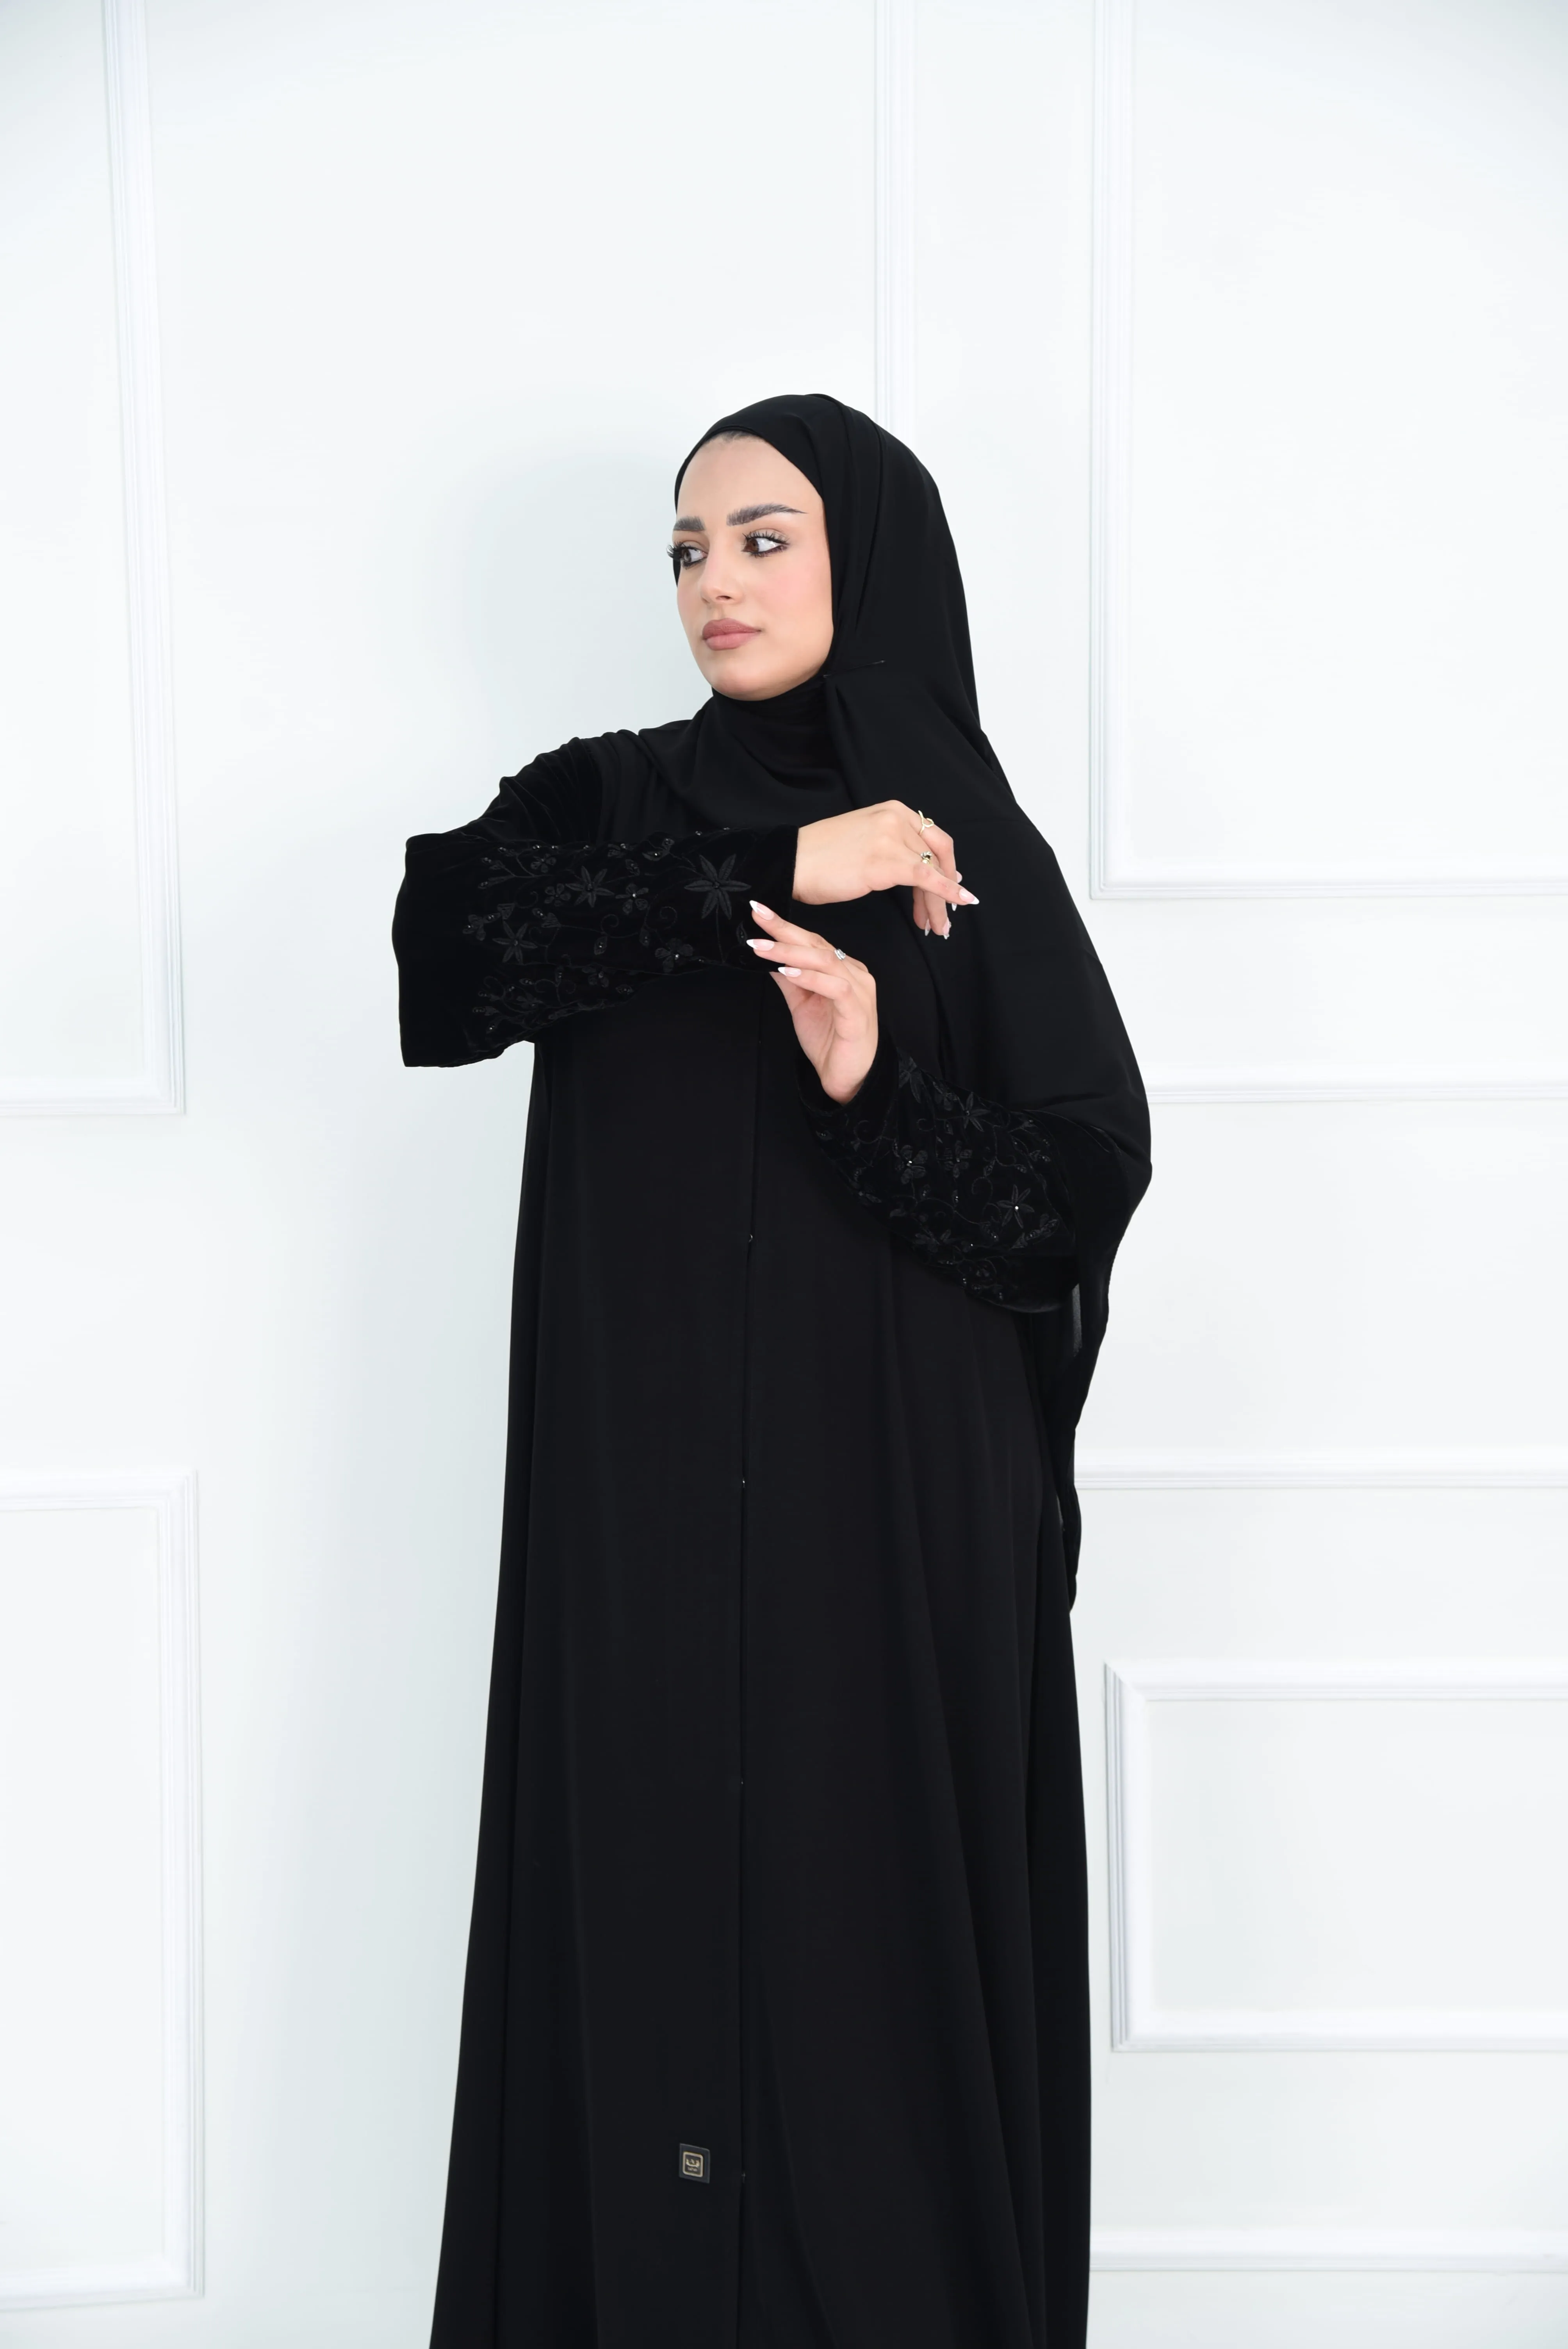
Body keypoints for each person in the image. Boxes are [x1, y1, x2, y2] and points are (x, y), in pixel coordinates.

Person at [393, 393, 1150, 2349]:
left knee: (857, 1934)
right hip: (639, 1486)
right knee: (645, 1902)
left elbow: (1069, 1195)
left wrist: (872, 1083)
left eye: (760, 537)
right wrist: (776, 860)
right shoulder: (603, 804)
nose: (710, 582)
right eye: (684, 548)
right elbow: (445, 956)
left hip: (886, 1500)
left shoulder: (967, 851)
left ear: (866, 559)